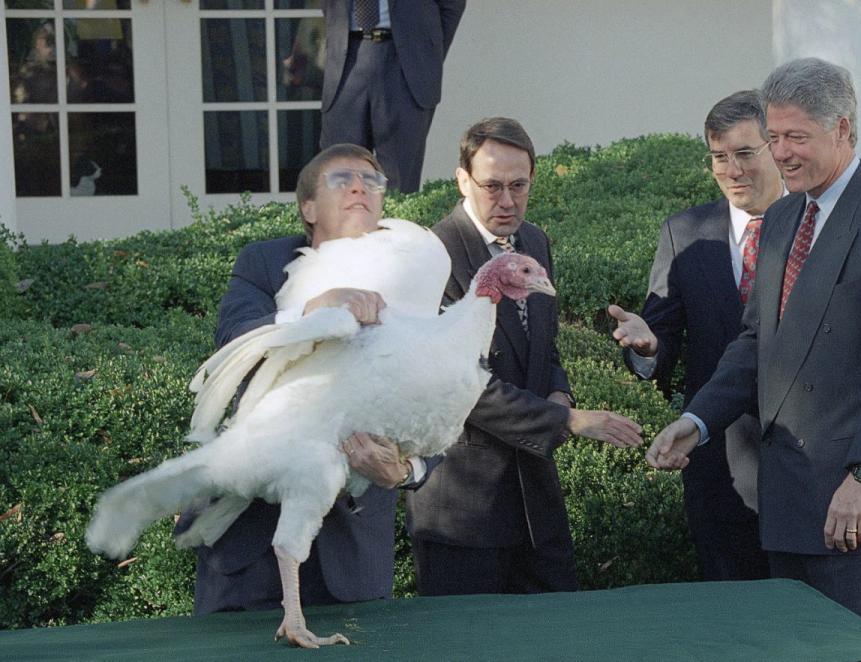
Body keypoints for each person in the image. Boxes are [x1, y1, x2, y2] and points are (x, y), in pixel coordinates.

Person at [646, 58, 861, 647]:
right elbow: (756, 343)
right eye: (774, 137)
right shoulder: (783, 217)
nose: (781, 154)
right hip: (786, 509)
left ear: (843, 130)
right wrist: (697, 419)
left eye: (796, 137)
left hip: (860, 514)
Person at [175, 143, 430, 615]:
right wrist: (311, 311)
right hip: (248, 551)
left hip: (351, 558)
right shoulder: (263, 263)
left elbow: (440, 400)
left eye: (372, 181)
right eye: (342, 179)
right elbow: (235, 340)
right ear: (307, 208)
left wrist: (406, 471)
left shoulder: (413, 277)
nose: (360, 186)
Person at [406, 117, 645, 596]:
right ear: (461, 180)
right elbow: (460, 385)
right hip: (462, 511)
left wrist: (559, 388)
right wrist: (567, 419)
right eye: (492, 187)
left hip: (537, 501)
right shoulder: (431, 257)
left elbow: (543, 344)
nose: (508, 201)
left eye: (519, 185)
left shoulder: (534, 242)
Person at [608, 90, 783, 582]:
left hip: (807, 467)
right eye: (720, 157)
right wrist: (648, 347)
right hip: (718, 466)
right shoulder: (684, 232)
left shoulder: (813, 229)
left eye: (746, 153)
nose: (733, 169)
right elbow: (659, 340)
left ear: (776, 147)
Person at [319, 0, 466, 193]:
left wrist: (427, 54)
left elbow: (452, 5)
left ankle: (394, 224)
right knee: (339, 172)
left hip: (405, 64)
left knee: (400, 179)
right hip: (346, 58)